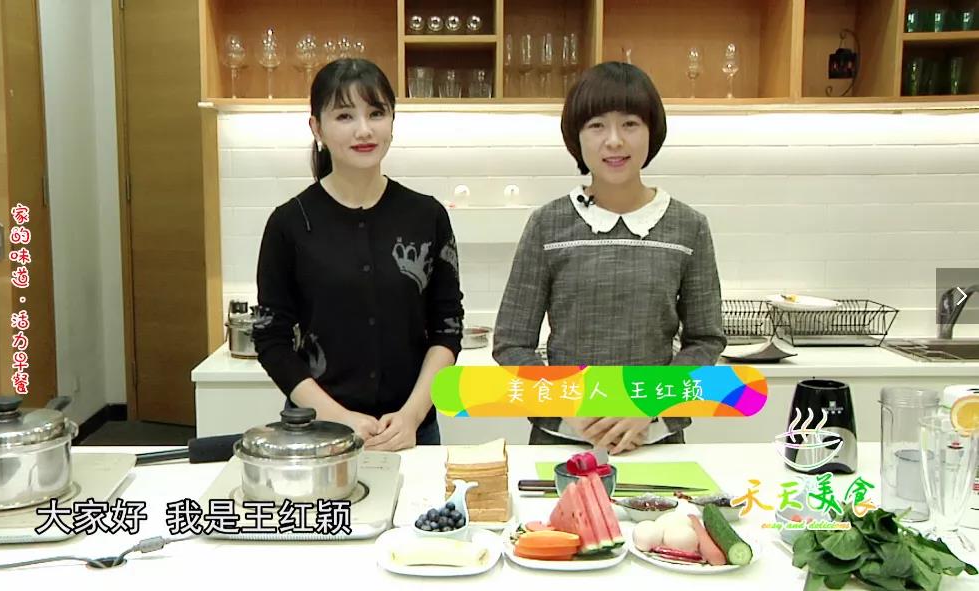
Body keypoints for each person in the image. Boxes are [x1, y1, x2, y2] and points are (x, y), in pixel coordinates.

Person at [493, 62, 726, 454]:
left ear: (652, 132)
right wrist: (570, 405)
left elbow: (705, 340)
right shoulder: (548, 224)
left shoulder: (689, 227)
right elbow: (510, 343)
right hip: (563, 439)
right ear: (577, 137)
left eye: (630, 124)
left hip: (656, 440)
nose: (614, 141)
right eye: (597, 125)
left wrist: (648, 406)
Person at [253, 58, 463, 450]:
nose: (364, 130)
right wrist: (340, 418)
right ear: (317, 128)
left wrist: (412, 415)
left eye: (376, 113)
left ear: (392, 121)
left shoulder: (427, 216)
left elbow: (447, 328)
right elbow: (271, 340)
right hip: (319, 434)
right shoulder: (289, 223)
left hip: (412, 433)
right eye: (345, 115)